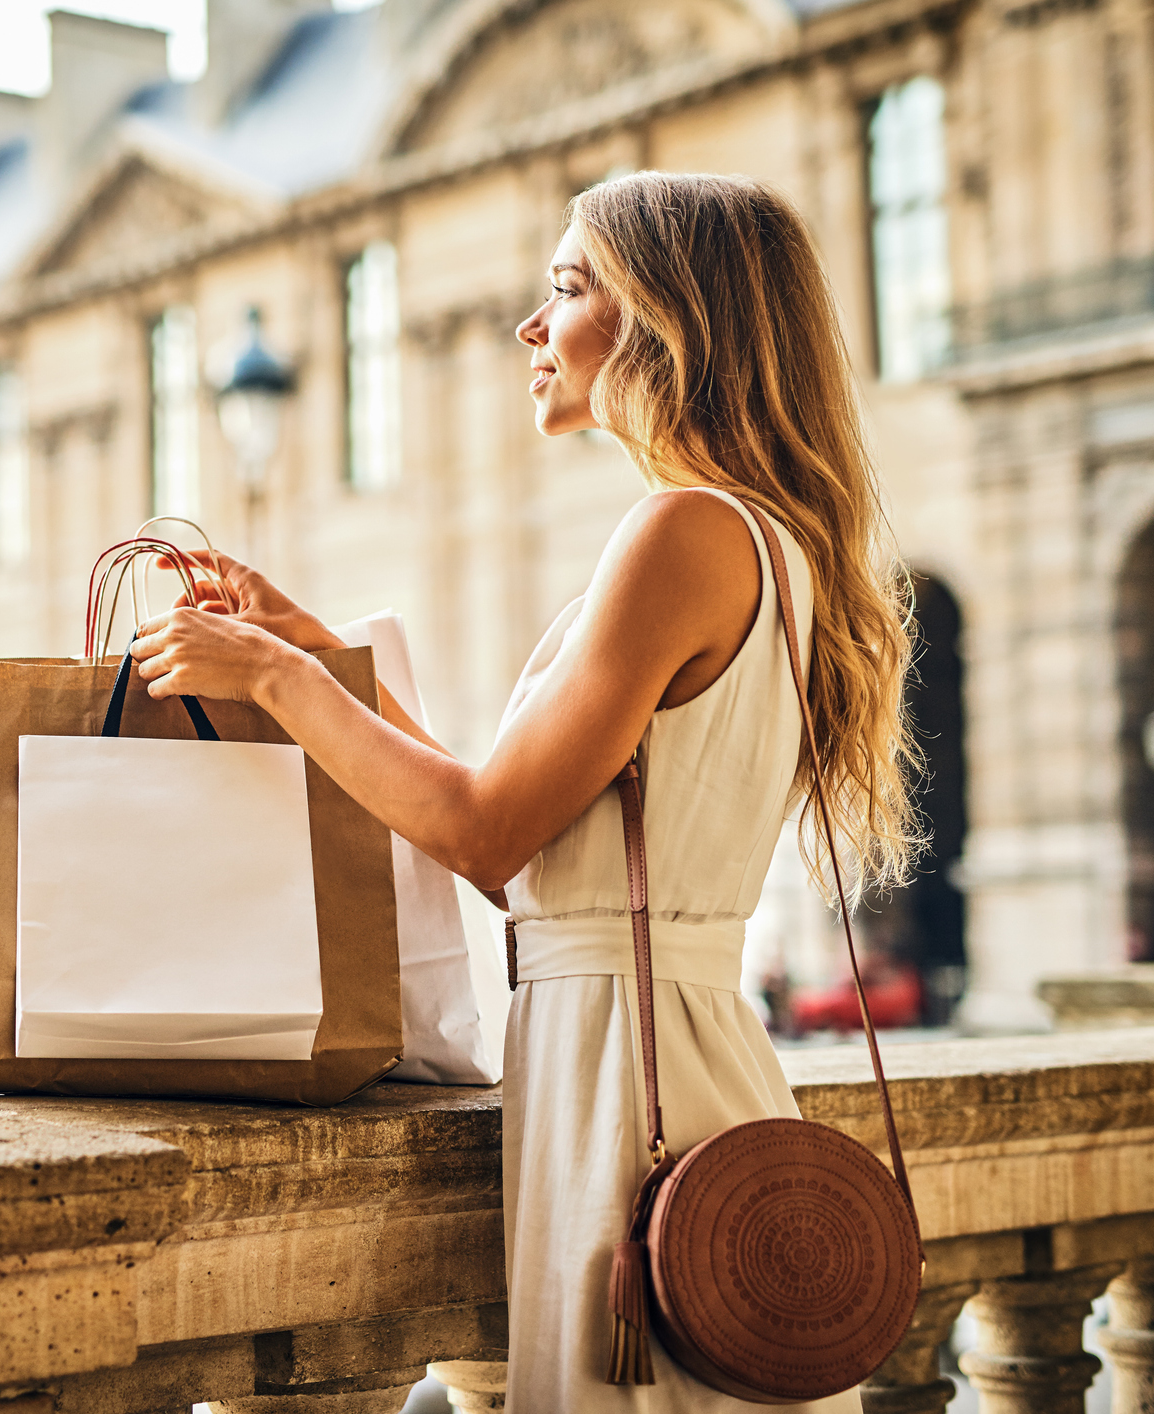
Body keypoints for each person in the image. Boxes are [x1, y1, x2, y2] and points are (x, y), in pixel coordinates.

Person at [126, 173, 917, 1411]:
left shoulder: (680, 533)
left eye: (567, 287)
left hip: (626, 1079)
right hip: (671, 1048)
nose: (528, 326)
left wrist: (278, 678)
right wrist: (314, 647)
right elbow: (532, 847)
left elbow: (487, 834)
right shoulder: (764, 540)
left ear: (666, 320)